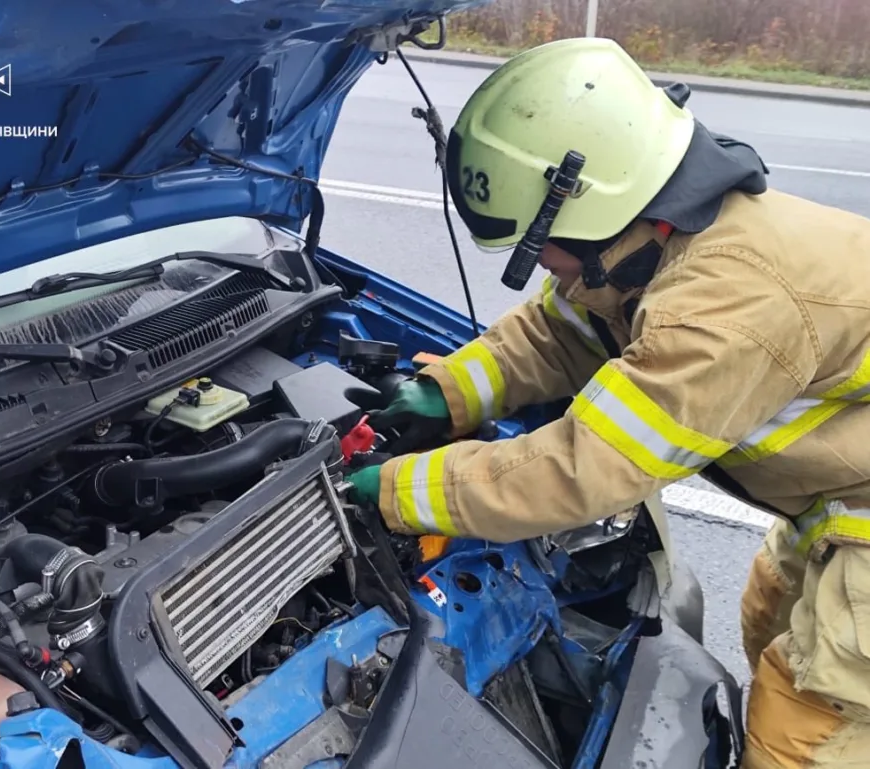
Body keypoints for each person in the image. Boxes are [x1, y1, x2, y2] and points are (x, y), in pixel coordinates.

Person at [345, 37, 870, 767]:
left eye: (539, 246)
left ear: (591, 203)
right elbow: (558, 332)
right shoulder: (653, 236)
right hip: (838, 504)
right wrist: (447, 392)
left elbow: (587, 466)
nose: (544, 267)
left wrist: (401, 491)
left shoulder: (725, 304)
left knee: (801, 723)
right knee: (769, 609)